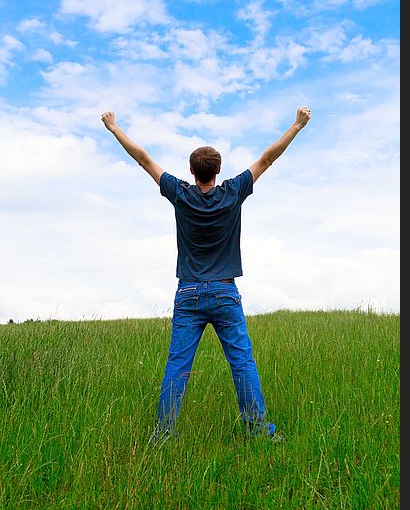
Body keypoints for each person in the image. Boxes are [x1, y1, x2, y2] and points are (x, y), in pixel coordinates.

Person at [101, 106, 311, 444]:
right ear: (218, 171)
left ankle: (164, 434)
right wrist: (297, 125)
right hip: (226, 293)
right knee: (242, 362)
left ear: (192, 171)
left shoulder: (180, 194)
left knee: (178, 366)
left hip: (188, 294)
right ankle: (257, 431)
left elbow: (143, 158)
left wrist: (114, 128)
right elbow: (268, 158)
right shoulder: (233, 191)